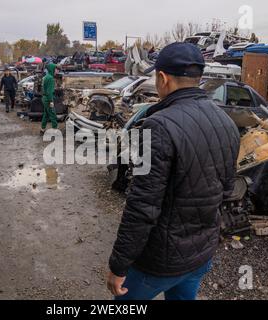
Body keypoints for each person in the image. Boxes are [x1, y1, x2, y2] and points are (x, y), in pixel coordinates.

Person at [106, 43, 241, 300]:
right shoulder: (226, 122)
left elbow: (143, 206)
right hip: (200, 255)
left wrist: (118, 265)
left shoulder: (157, 127)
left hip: (160, 262)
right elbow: (225, 190)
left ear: (163, 78)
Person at [40, 63, 58, 135]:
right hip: (48, 99)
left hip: (44, 98)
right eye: (56, 69)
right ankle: (55, 130)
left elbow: (44, 89)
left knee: (46, 115)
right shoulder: (51, 78)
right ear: (52, 69)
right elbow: (49, 92)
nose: (57, 71)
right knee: (53, 114)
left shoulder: (46, 76)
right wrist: (51, 101)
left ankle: (42, 129)